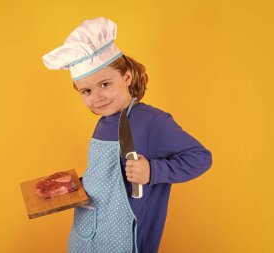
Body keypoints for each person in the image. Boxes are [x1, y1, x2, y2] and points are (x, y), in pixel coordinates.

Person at [42, 17, 212, 253]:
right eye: (87, 91)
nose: (97, 97)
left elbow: (201, 157)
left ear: (127, 77)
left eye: (104, 84)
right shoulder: (103, 122)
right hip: (89, 230)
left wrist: (153, 171)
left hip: (124, 238)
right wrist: (75, 187)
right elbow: (106, 176)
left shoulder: (152, 121)